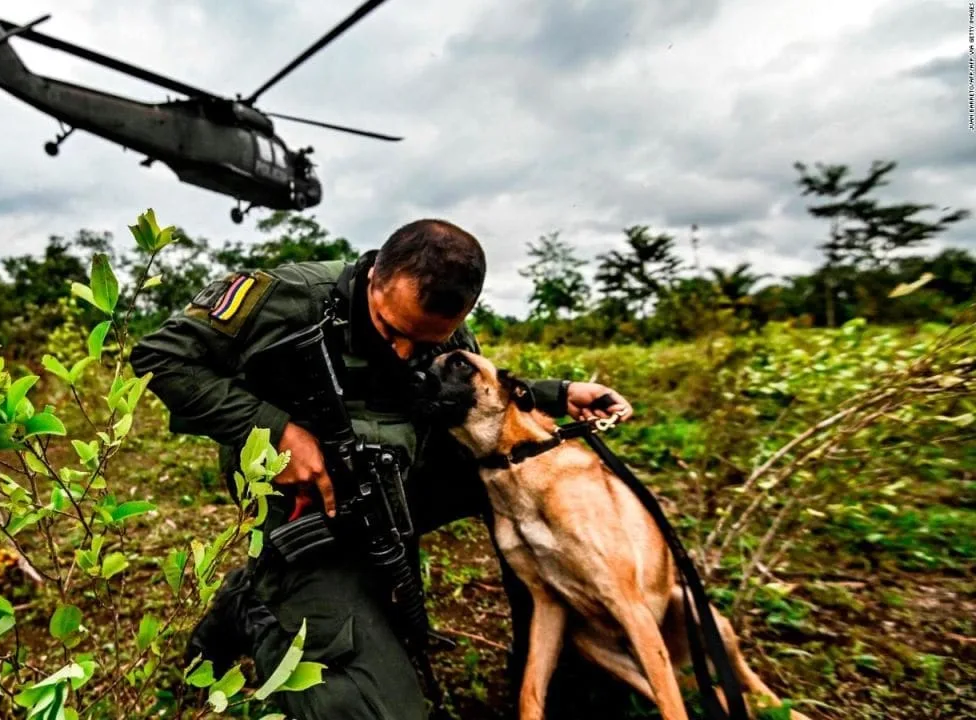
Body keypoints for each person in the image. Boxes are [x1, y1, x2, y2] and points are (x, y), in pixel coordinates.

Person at [129, 219, 633, 719]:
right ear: (374, 278)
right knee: (367, 709)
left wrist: (559, 395)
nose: (404, 353)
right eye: (392, 331)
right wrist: (276, 430)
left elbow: (466, 398)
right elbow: (162, 356)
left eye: (427, 341)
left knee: (535, 480)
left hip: (398, 478)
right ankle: (257, 603)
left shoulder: (444, 328)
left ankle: (562, 678)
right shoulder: (287, 297)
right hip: (305, 503)